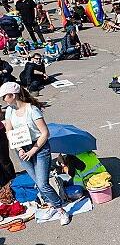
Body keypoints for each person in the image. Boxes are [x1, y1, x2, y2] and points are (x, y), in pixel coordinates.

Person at [1, 82, 70, 225]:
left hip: (39, 147)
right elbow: (9, 131)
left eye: (4, 97)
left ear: (13, 95)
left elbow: (45, 133)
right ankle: (52, 205)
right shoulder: (9, 110)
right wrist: (19, 148)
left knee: (42, 183)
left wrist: (32, 151)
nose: (3, 100)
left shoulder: (32, 110)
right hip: (21, 148)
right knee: (37, 183)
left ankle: (61, 209)